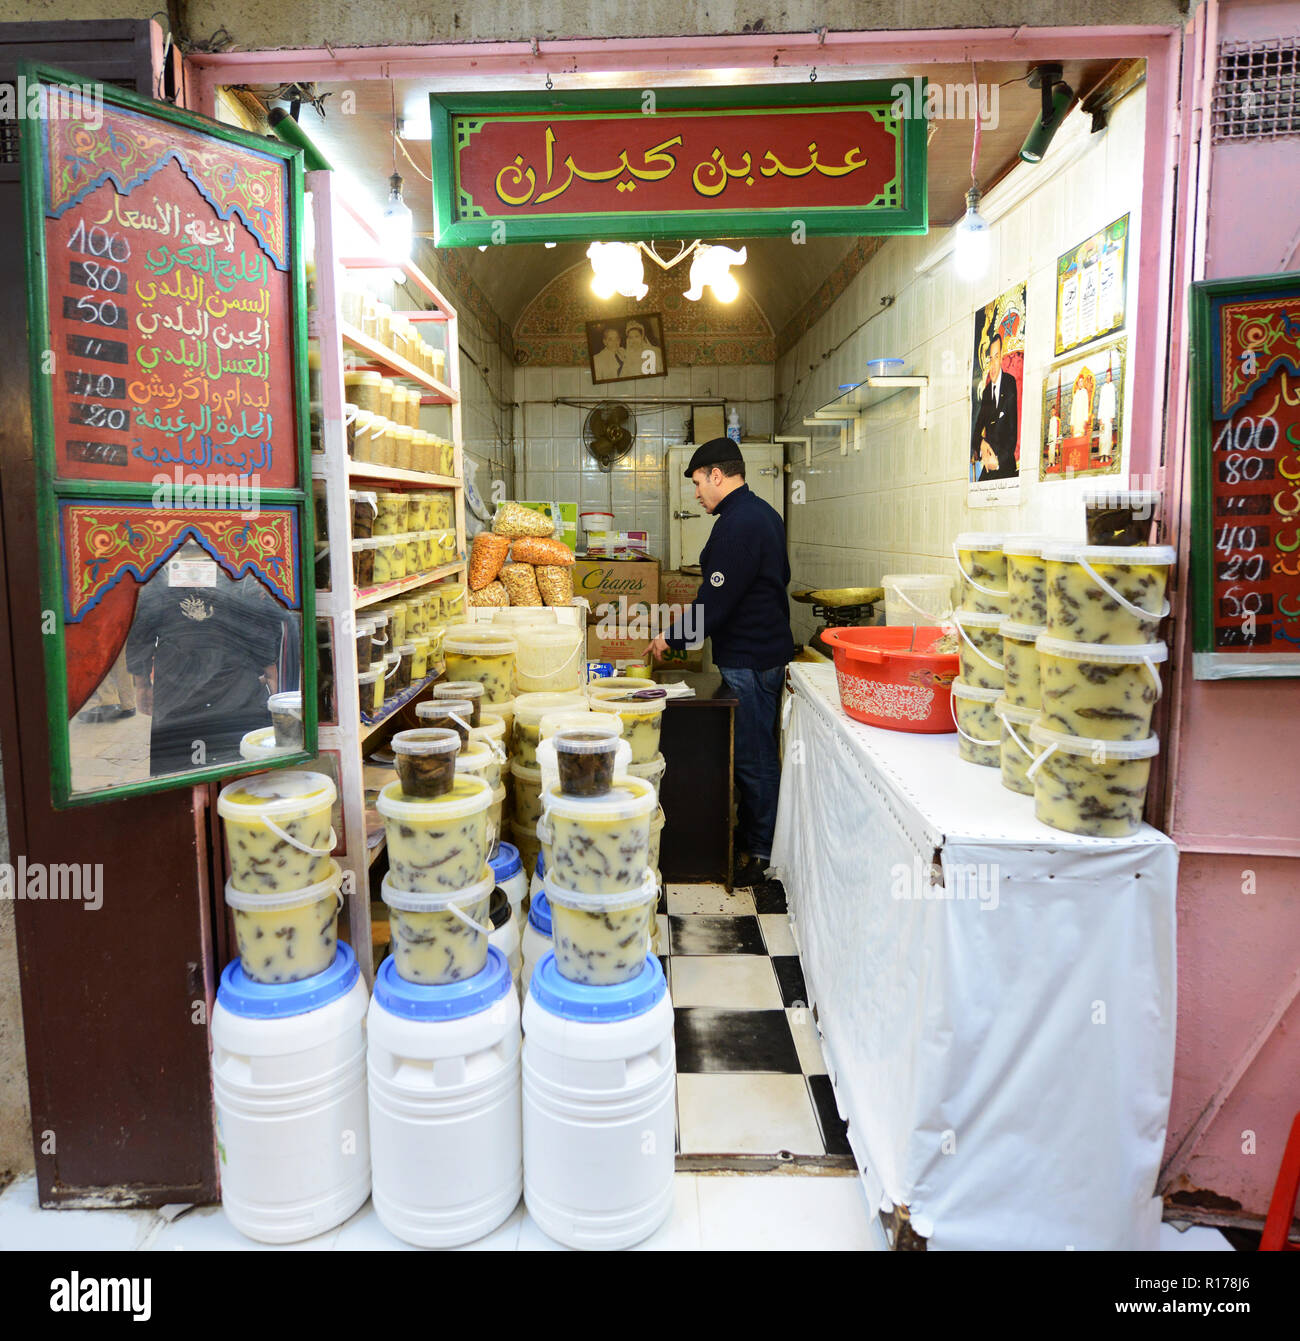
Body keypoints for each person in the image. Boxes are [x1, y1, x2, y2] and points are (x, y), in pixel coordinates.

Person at [647, 439, 795, 885]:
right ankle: (756, 840)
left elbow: (715, 604)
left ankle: (763, 853)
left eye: (697, 482)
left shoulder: (739, 524)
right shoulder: (759, 514)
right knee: (755, 752)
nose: (695, 493)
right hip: (762, 654)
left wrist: (668, 639)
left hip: (750, 661)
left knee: (752, 758)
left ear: (717, 475)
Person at [125, 543, 287, 776]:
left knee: (181, 773)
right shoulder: (241, 573)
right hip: (229, 691)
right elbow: (260, 633)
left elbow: (141, 631)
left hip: (187, 691)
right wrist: (274, 682)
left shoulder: (159, 576)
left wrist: (142, 685)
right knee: (239, 772)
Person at [970, 332, 1019, 480]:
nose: (993, 364)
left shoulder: (1010, 383)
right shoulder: (986, 393)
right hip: (988, 461)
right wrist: (982, 444)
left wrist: (997, 463)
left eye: (996, 357)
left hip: (1004, 462)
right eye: (990, 358)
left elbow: (1012, 436)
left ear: (1002, 358)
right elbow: (976, 430)